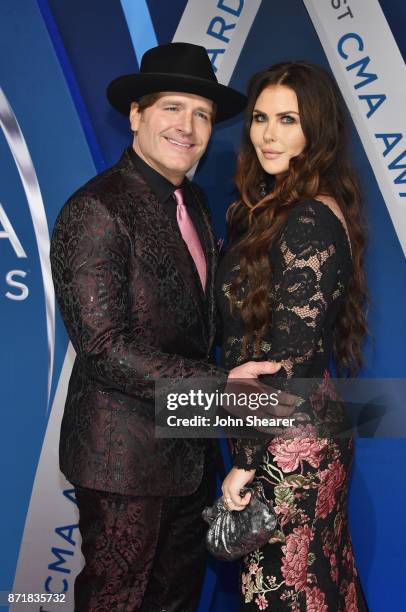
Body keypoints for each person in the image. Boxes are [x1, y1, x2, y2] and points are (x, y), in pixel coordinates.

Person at [50, 42, 285, 612]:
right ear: (136, 115)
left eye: (202, 114)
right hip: (124, 461)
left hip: (190, 458)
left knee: (176, 603)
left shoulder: (197, 202)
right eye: (172, 108)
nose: (189, 126)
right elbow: (105, 348)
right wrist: (221, 388)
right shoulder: (96, 209)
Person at [216, 62, 369, 610]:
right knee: (320, 584)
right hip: (297, 429)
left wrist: (247, 461)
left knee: (285, 591)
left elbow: (287, 363)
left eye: (288, 119)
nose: (269, 134)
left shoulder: (306, 219)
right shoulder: (278, 210)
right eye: (260, 117)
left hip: (288, 442)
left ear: (317, 132)